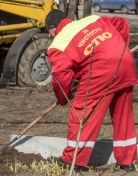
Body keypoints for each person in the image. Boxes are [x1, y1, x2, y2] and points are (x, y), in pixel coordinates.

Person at [45, 9, 137, 172]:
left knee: (82, 113)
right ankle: (128, 160)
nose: (50, 36)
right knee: (123, 115)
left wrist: (63, 98)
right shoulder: (91, 19)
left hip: (101, 70)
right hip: (125, 62)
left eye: (49, 31)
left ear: (53, 27)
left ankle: (73, 160)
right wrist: (118, 48)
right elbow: (122, 23)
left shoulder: (59, 43)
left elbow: (60, 75)